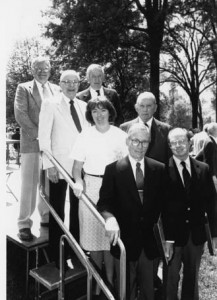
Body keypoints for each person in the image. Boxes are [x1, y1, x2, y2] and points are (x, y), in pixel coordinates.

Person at [98, 123, 166, 300]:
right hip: (124, 243)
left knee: (149, 292)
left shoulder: (159, 169)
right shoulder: (112, 170)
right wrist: (110, 219)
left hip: (150, 245)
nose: (140, 146)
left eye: (144, 142)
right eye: (135, 141)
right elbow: (104, 203)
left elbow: (165, 206)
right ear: (127, 141)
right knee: (125, 291)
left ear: (149, 144)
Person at [72, 97, 127, 293]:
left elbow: (126, 165)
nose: (99, 114)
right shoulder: (84, 135)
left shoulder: (120, 135)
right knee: (93, 237)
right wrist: (78, 182)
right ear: (90, 114)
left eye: (103, 110)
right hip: (91, 187)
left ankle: (109, 280)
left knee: (109, 237)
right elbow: (76, 167)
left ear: (110, 112)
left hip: (113, 187)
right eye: (94, 111)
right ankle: (96, 282)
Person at [39, 70, 89, 267]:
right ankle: (55, 255)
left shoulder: (83, 105)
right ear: (60, 84)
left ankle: (75, 249)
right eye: (67, 82)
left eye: (75, 82)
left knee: (78, 210)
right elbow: (44, 137)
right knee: (57, 211)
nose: (71, 85)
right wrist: (49, 164)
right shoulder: (49, 104)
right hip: (58, 165)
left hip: (80, 167)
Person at [162, 128, 217, 300]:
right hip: (172, 238)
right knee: (170, 279)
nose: (178, 146)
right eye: (174, 143)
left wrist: (214, 235)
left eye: (182, 141)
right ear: (169, 146)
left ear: (189, 143)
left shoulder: (203, 168)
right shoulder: (161, 171)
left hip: (196, 235)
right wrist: (167, 239)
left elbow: (212, 204)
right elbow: (159, 208)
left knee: (192, 279)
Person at [14, 56, 60, 241]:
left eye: (45, 68)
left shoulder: (57, 89)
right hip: (32, 143)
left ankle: (46, 217)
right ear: (32, 70)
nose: (42, 71)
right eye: (38, 68)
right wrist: (39, 135)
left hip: (52, 145)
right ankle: (24, 224)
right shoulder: (23, 88)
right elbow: (21, 114)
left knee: (49, 183)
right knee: (29, 185)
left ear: (50, 69)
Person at [120, 91, 172, 164]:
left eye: (149, 106)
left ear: (155, 108)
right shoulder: (124, 129)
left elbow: (170, 159)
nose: (145, 109)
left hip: (158, 174)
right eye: (142, 106)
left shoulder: (167, 130)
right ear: (136, 107)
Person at [196, 122, 217, 191]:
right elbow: (209, 160)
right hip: (212, 174)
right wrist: (213, 175)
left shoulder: (209, 140)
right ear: (214, 130)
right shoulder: (210, 142)